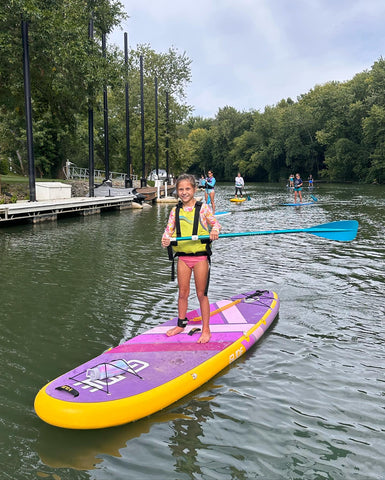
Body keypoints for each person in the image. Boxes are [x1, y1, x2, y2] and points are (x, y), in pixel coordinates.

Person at [161, 174, 221, 344]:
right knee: (183, 293)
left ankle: (206, 329)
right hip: (183, 259)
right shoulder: (175, 211)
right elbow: (168, 231)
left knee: (201, 294)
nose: (184, 192)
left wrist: (214, 230)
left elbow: (215, 224)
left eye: (188, 189)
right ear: (177, 191)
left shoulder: (203, 208)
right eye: (181, 189)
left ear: (194, 189)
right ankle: (181, 324)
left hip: (200, 258)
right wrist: (165, 239)